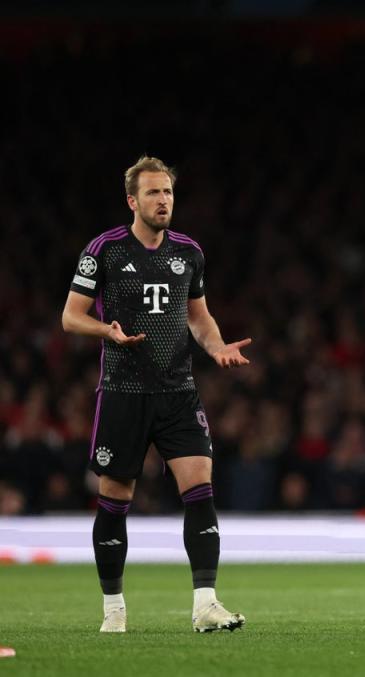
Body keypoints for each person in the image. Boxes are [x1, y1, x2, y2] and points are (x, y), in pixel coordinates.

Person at [61, 156, 253, 633]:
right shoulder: (103, 250)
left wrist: (217, 346)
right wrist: (108, 331)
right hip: (124, 392)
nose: (163, 200)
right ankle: (114, 610)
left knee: (201, 491)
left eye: (167, 192)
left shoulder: (189, 252)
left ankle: (206, 604)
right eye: (153, 193)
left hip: (178, 392)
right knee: (114, 499)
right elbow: (70, 316)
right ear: (133, 200)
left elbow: (199, 316)